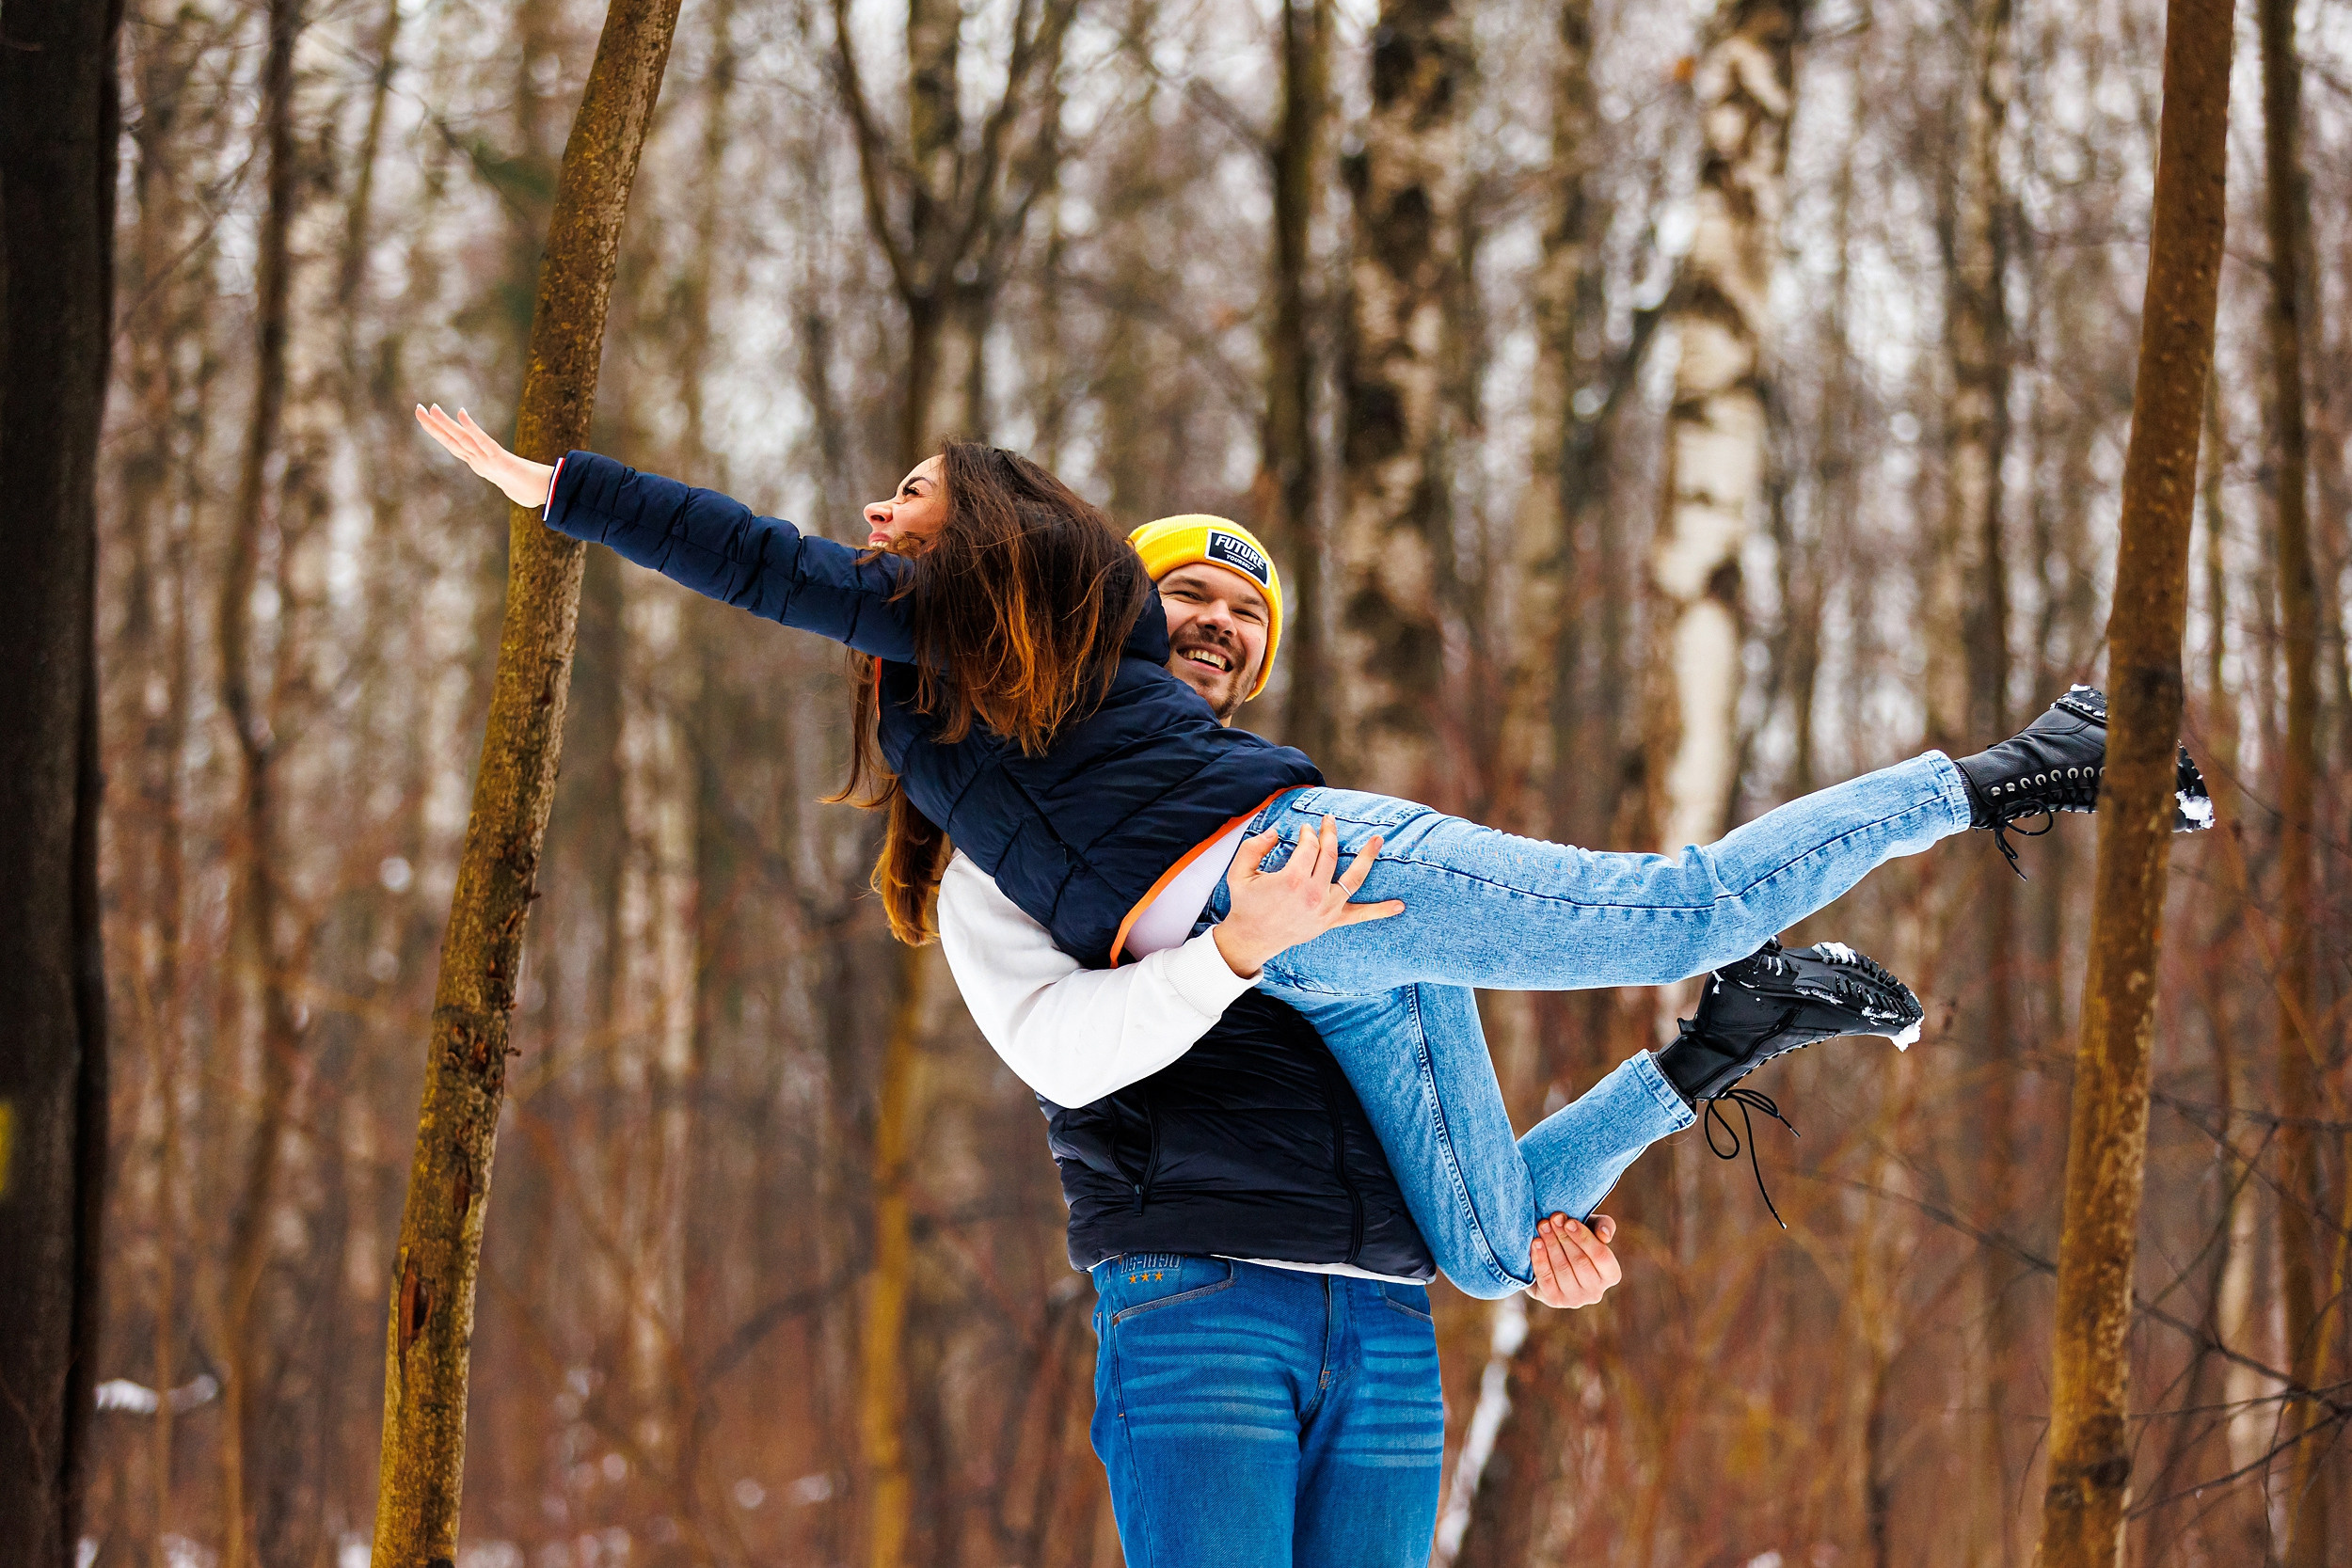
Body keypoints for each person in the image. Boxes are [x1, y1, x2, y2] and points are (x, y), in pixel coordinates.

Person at [414, 409, 2208, 1298]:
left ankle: (2026, 764)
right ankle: (1724, 1040)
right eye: (1185, 592)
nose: (873, 526)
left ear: (1002, 531)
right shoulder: (946, 711)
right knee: (1494, 1249)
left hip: (1319, 870)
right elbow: (785, 569)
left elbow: (758, 559)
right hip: (1299, 934)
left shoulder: (1039, 615)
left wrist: (559, 488)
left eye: (907, 501)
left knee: (1682, 893)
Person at [940, 514, 1922, 1564]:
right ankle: (1727, 1034)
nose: (1219, 624)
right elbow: (1058, 1052)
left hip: (1386, 1322)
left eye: (1246, 616)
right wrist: (1230, 950)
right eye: (1187, 595)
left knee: (1496, 1254)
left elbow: (1438, 1145)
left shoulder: (1313, 822)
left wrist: (1542, 1243)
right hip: (1202, 1302)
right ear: (1114, 617)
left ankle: (1715, 1044)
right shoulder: (1024, 836)